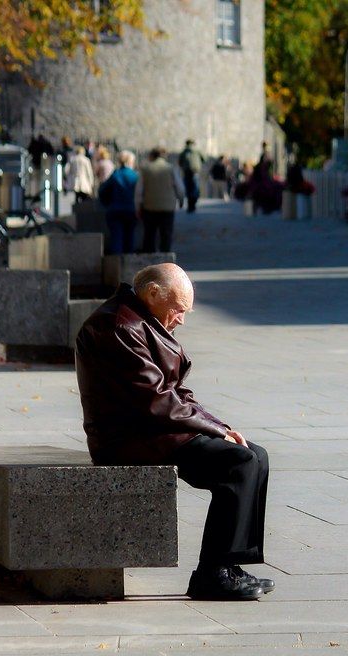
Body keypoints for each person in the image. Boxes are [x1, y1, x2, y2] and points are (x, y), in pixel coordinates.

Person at [75, 263, 272, 601]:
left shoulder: (139, 319)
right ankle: (211, 574)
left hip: (154, 428)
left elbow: (174, 393)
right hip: (129, 437)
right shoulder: (119, 326)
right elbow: (155, 400)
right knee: (238, 463)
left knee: (257, 455)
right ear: (153, 294)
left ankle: (230, 564)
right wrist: (213, 430)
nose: (181, 319)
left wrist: (220, 427)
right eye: (179, 309)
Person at [135, 147, 184, 252]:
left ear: (152, 156)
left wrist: (138, 206)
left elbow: (139, 191)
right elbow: (179, 187)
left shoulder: (145, 169)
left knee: (149, 234)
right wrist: (181, 200)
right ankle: (165, 255)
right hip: (167, 207)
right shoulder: (170, 168)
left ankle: (149, 256)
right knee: (166, 234)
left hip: (149, 206)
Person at [97, 150, 139, 254]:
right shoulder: (135, 175)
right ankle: (129, 262)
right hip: (131, 210)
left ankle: (117, 264)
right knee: (130, 238)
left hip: (115, 210)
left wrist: (108, 203)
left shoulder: (116, 174)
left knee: (116, 238)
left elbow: (102, 191)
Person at [177, 139, 205, 213]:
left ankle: (189, 205)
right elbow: (204, 159)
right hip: (195, 171)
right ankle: (193, 204)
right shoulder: (197, 151)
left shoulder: (183, 152)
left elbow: (180, 162)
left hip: (186, 172)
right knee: (195, 188)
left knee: (188, 188)